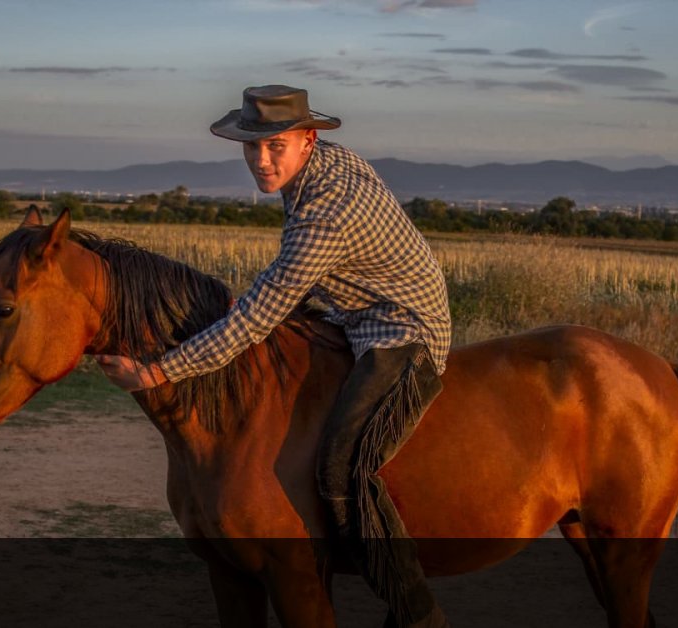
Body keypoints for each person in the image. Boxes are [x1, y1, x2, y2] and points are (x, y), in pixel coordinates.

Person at [97, 84, 452, 628]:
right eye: (252, 146)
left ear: (307, 139)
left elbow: (256, 316)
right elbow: (286, 286)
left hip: (401, 328)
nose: (261, 161)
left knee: (344, 467)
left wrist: (157, 371)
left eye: (275, 146)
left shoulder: (327, 212)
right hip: (349, 313)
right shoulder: (322, 164)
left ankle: (418, 615)